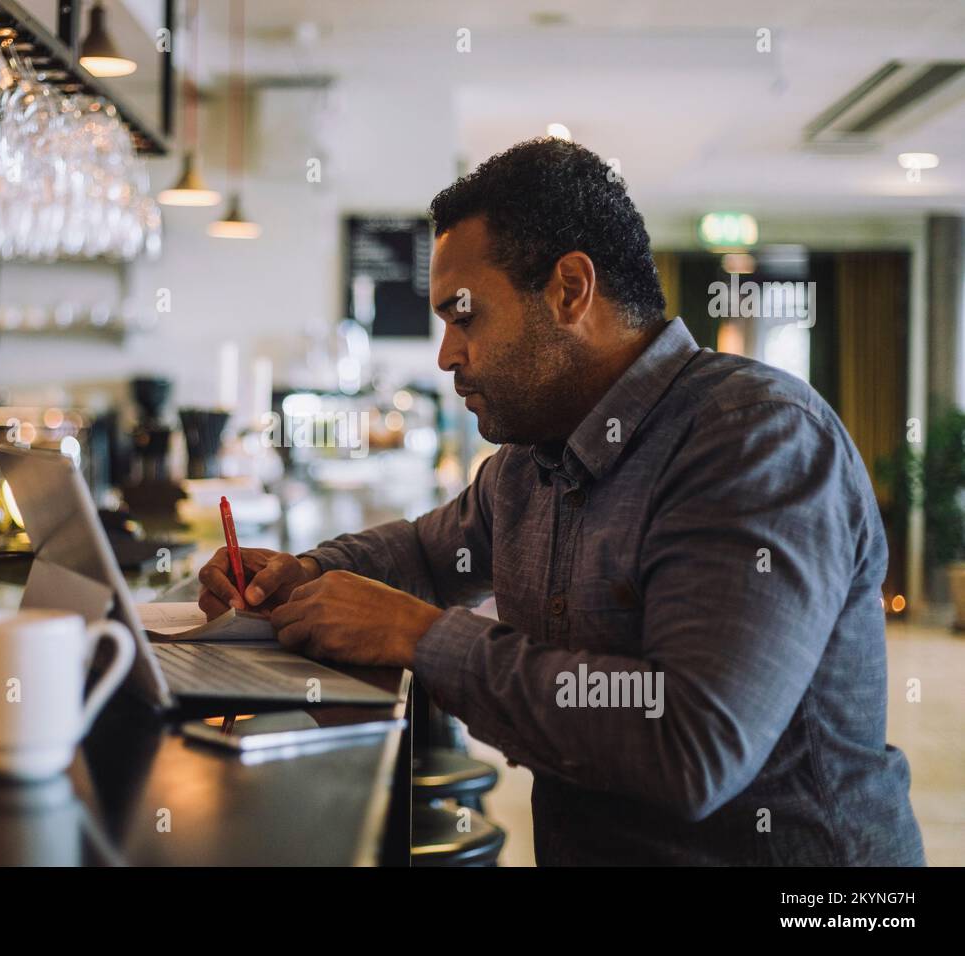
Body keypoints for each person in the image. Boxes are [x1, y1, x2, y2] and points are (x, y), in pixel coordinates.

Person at [198, 138, 924, 866]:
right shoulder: (532, 461)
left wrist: (423, 638)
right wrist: (302, 573)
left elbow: (693, 743)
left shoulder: (753, 440)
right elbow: (424, 552)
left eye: (465, 315)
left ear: (570, 290)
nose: (446, 353)